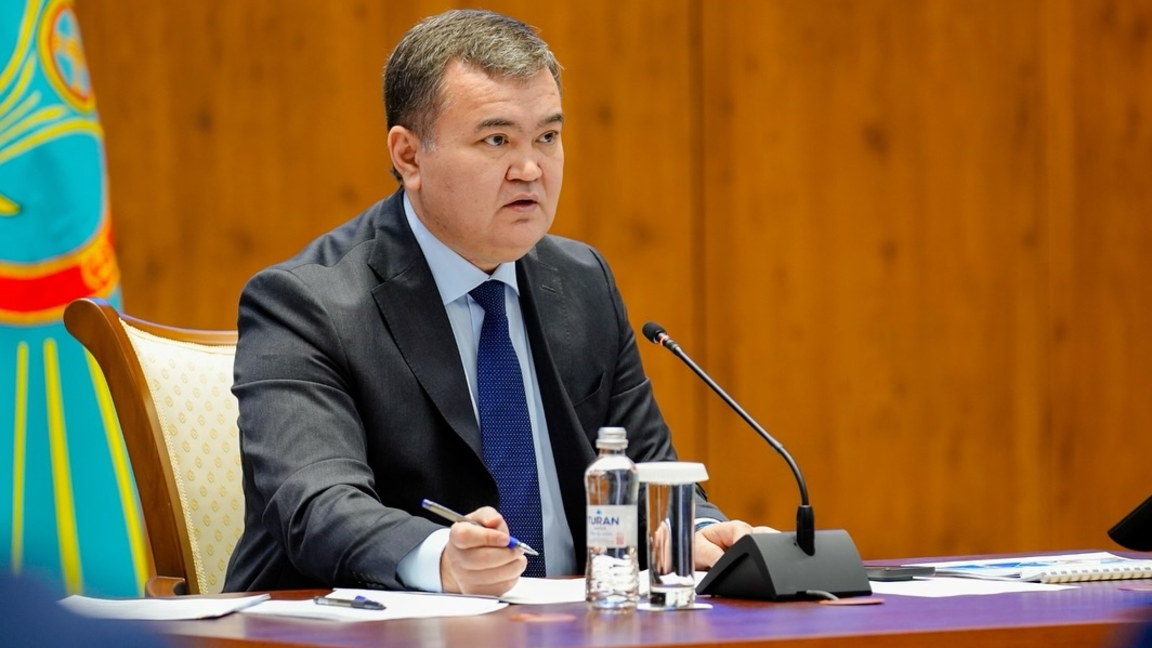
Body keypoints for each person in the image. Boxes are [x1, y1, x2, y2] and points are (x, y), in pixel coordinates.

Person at [223, 8, 766, 597]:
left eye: (547, 137)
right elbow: (316, 503)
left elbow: (642, 471)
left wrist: (693, 532)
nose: (530, 169)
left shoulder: (582, 282)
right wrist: (439, 558)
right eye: (497, 139)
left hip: (573, 624)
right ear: (409, 156)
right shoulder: (307, 304)